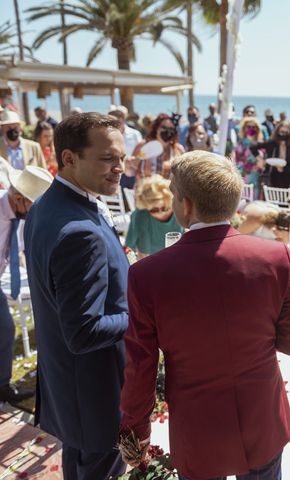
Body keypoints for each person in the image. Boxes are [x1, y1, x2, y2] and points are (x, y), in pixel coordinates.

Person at [118, 151, 290, 480]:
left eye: (175, 195)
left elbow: (142, 366)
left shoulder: (146, 275)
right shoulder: (275, 256)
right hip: (262, 416)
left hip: (198, 427)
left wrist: (135, 432)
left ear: (187, 204)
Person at [24, 113, 129, 479]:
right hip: (95, 396)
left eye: (121, 158)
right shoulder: (78, 231)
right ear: (69, 158)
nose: (119, 168)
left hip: (68, 388)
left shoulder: (43, 208)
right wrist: (145, 313)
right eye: (107, 159)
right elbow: (84, 331)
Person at [0, 166, 52, 404]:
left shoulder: (21, 217)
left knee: (6, 330)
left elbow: (26, 249)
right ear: (19, 198)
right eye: (35, 204)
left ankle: (2, 386)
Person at [125, 175, 184, 258]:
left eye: (165, 208)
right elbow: (129, 247)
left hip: (177, 258)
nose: (161, 213)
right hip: (150, 263)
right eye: (154, 210)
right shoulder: (140, 216)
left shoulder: (180, 211)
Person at [129, 113, 185, 181]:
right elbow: (129, 172)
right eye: (164, 127)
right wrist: (129, 164)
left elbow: (183, 176)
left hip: (168, 191)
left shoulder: (178, 150)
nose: (167, 131)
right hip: (145, 190)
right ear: (157, 128)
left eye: (171, 128)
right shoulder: (143, 145)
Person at [234, 116, 266, 195]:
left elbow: (263, 163)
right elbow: (237, 161)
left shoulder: (261, 144)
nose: (251, 128)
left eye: (253, 127)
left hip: (257, 178)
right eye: (248, 126)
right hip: (243, 179)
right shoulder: (240, 144)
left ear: (257, 129)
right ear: (244, 128)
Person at [264, 121, 290, 189]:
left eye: (286, 132)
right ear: (277, 132)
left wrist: (283, 169)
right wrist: (260, 159)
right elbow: (254, 147)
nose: (283, 134)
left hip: (286, 178)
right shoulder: (272, 144)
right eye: (282, 132)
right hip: (273, 176)